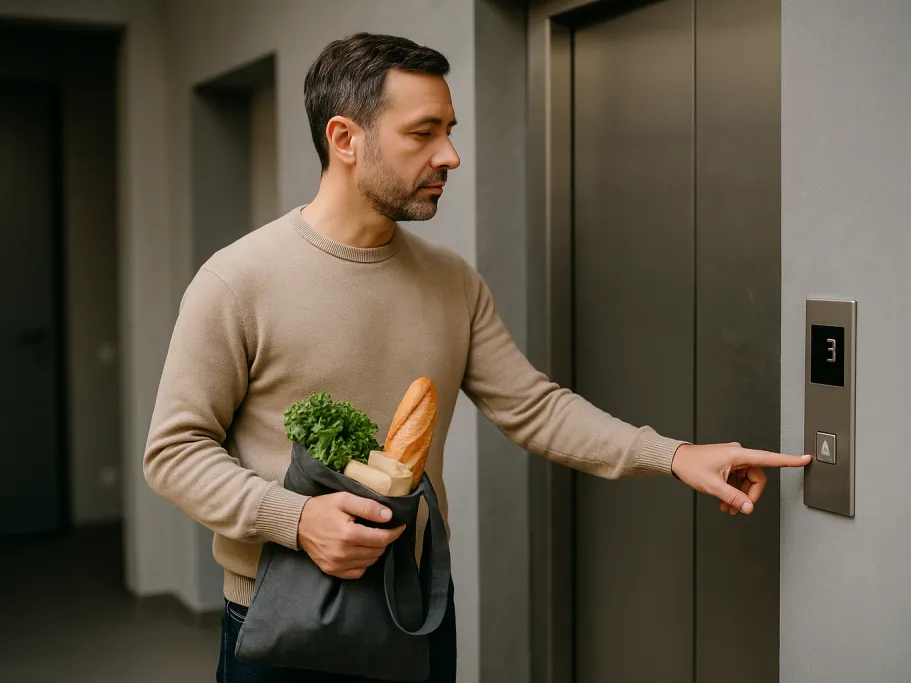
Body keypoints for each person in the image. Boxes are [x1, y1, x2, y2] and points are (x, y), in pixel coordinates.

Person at [143, 32, 812, 683]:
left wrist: (674, 454)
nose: (451, 156)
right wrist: (296, 520)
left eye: (450, 130)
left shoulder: (452, 281)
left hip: (416, 607)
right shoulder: (238, 280)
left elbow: (534, 408)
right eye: (423, 133)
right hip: (280, 619)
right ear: (344, 139)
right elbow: (174, 451)